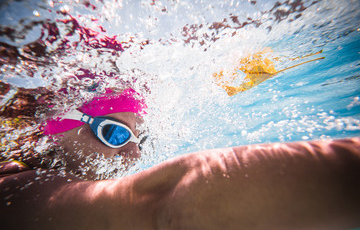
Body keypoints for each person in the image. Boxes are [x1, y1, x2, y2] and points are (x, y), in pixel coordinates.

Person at [1, 88, 360, 229]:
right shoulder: (13, 190)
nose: (135, 153)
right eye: (115, 133)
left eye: (141, 139)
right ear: (51, 129)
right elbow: (163, 202)